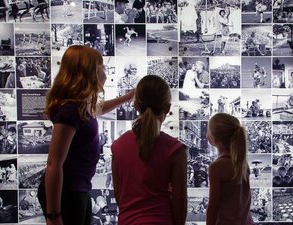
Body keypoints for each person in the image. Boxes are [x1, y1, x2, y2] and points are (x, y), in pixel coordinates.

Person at [37, 45, 135, 225]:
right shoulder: (70, 111)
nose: (106, 72)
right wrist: (54, 215)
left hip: (78, 189)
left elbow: (96, 110)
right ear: (90, 73)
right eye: (102, 68)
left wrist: (127, 97)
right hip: (68, 192)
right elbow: (54, 164)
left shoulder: (79, 106)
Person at [111, 75, 187, 225]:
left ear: (135, 106)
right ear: (168, 108)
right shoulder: (175, 149)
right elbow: (180, 204)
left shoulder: (118, 146)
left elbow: (121, 198)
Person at [206, 113, 254, 225]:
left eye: (208, 130)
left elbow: (213, 206)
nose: (206, 134)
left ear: (214, 137)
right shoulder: (242, 163)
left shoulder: (216, 167)